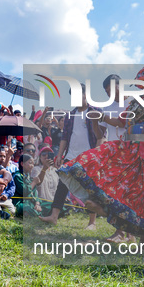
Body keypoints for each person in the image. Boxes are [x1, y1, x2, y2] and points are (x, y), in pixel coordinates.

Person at [57, 65, 144, 244]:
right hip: (133, 151)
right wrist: (101, 117)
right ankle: (119, 226)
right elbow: (121, 121)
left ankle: (142, 243)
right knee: (132, 193)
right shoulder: (138, 100)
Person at [40, 84, 104, 230]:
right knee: (62, 184)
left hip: (89, 156)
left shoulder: (96, 112)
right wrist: (59, 155)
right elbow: (65, 137)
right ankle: (54, 216)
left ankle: (92, 222)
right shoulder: (69, 115)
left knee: (90, 187)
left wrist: (97, 155)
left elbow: (102, 135)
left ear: (85, 94)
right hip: (71, 155)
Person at [0, 145, 16, 214]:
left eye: (4, 156)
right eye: (0, 156)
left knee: (12, 212)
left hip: (5, 199)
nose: (2, 158)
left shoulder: (7, 172)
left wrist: (7, 195)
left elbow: (12, 186)